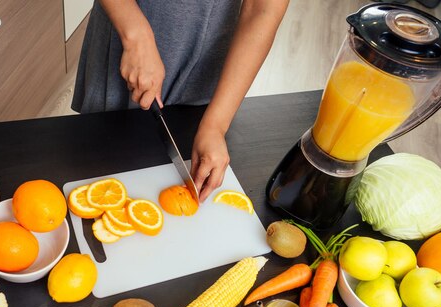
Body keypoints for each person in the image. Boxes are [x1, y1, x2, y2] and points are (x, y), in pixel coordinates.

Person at [72, 0, 290, 202]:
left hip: (206, 70)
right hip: (127, 42)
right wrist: (135, 34)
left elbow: (262, 10)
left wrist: (215, 126)